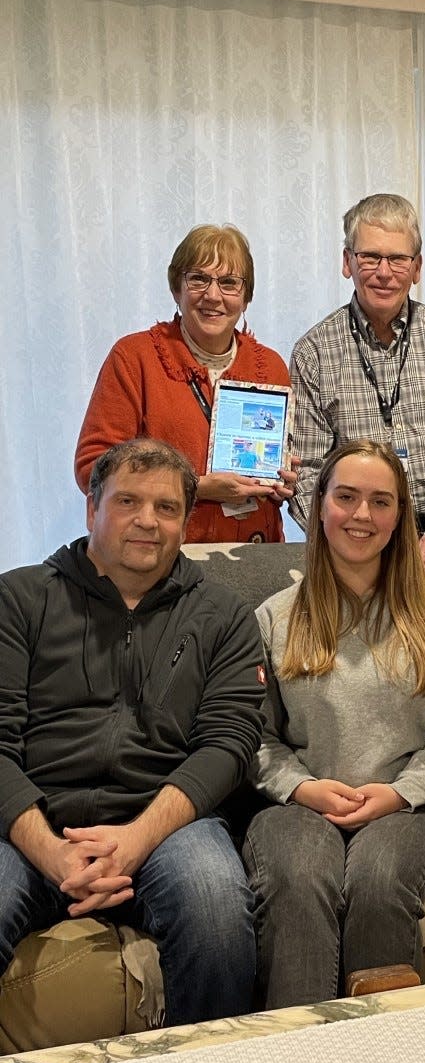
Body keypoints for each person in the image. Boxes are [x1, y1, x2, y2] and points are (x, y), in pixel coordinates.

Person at [0, 438, 266, 1025]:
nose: (148, 520)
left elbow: (229, 745)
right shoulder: (18, 599)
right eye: (128, 501)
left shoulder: (223, 614)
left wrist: (135, 840)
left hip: (166, 823)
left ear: (185, 522)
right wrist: (50, 852)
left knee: (216, 905)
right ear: (92, 509)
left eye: (167, 508)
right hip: (29, 825)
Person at [243, 439, 425, 1006]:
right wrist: (303, 788)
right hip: (298, 803)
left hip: (408, 805)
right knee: (298, 878)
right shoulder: (275, 617)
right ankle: (299, 1062)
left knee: (376, 880)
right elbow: (254, 736)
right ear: (319, 506)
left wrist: (399, 794)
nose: (362, 515)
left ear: (401, 517)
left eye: (381, 501)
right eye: (346, 497)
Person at [288, 193, 425, 578]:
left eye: (398, 259)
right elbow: (307, 473)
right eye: (370, 257)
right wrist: (349, 540)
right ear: (347, 262)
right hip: (354, 544)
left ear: (417, 268)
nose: (384, 272)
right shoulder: (313, 352)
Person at [75, 223, 296, 543]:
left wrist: (282, 480)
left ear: (246, 297)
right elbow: (93, 467)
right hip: (161, 552)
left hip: (254, 548)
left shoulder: (270, 365)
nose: (213, 295)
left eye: (229, 283)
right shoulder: (135, 357)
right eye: (198, 279)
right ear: (176, 288)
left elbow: (277, 473)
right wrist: (196, 486)